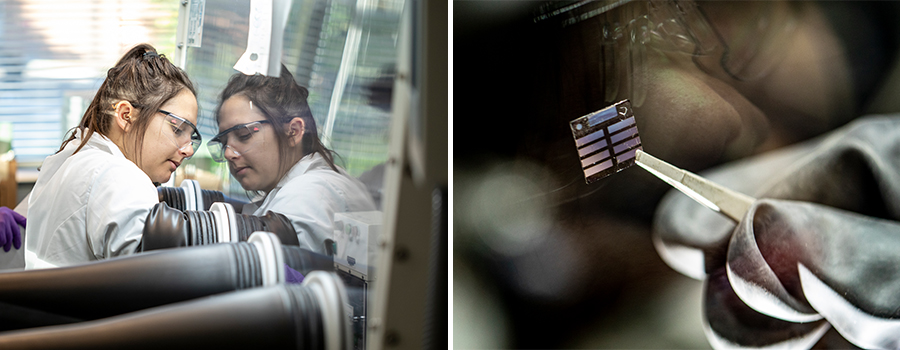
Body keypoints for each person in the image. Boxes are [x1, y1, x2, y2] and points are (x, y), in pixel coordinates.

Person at [24, 43, 200, 269]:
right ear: (126, 116)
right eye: (177, 129)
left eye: (191, 136)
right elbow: (148, 281)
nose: (189, 150)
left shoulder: (70, 157)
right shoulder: (120, 177)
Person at [209, 65, 377, 254]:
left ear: (293, 132)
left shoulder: (308, 196)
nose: (228, 153)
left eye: (243, 134)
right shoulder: (303, 185)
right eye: (224, 143)